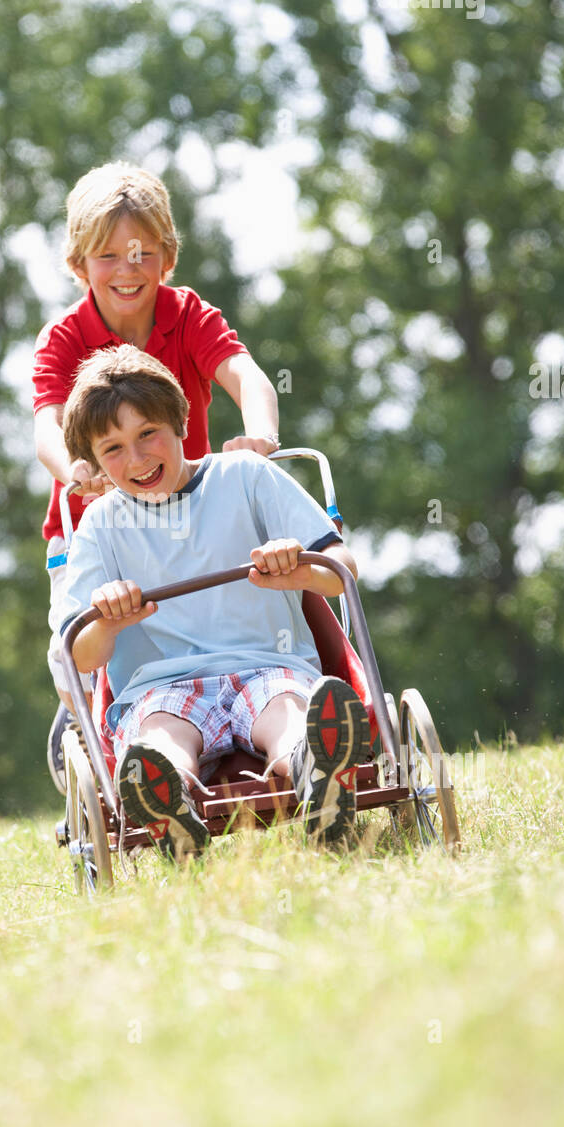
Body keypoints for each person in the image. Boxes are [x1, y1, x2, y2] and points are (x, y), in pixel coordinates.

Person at [57, 345, 370, 858]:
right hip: (162, 686)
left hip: (268, 663)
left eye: (147, 434)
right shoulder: (101, 523)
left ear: (181, 421)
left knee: (288, 712)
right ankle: (166, 801)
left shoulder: (244, 475)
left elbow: (342, 572)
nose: (136, 460)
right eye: (112, 450)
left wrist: (297, 569)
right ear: (93, 462)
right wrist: (107, 619)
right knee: (160, 734)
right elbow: (83, 656)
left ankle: (318, 773)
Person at [33, 161, 281, 791]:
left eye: (142, 252)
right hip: (102, 521)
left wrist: (261, 437)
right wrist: (77, 471)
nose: (127, 268)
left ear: (167, 256)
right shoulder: (65, 337)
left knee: (264, 581)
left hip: (190, 512)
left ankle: (278, 710)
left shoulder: (186, 313)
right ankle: (90, 722)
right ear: (80, 263)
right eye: (107, 255)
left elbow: (245, 375)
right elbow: (46, 425)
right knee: (88, 629)